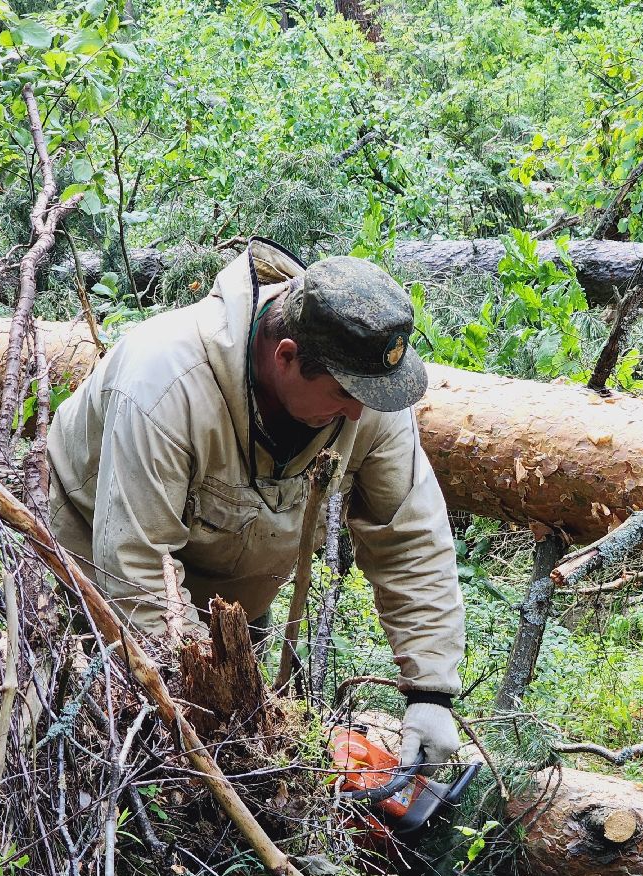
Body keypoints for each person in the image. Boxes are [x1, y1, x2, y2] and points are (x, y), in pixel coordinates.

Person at [46, 239, 464, 772]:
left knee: (244, 747)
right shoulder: (166, 384)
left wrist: (430, 691)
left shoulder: (360, 388)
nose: (360, 415)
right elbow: (134, 568)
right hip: (93, 561)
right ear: (286, 356)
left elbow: (410, 535)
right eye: (346, 395)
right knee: (107, 744)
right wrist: (214, 704)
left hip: (234, 583)